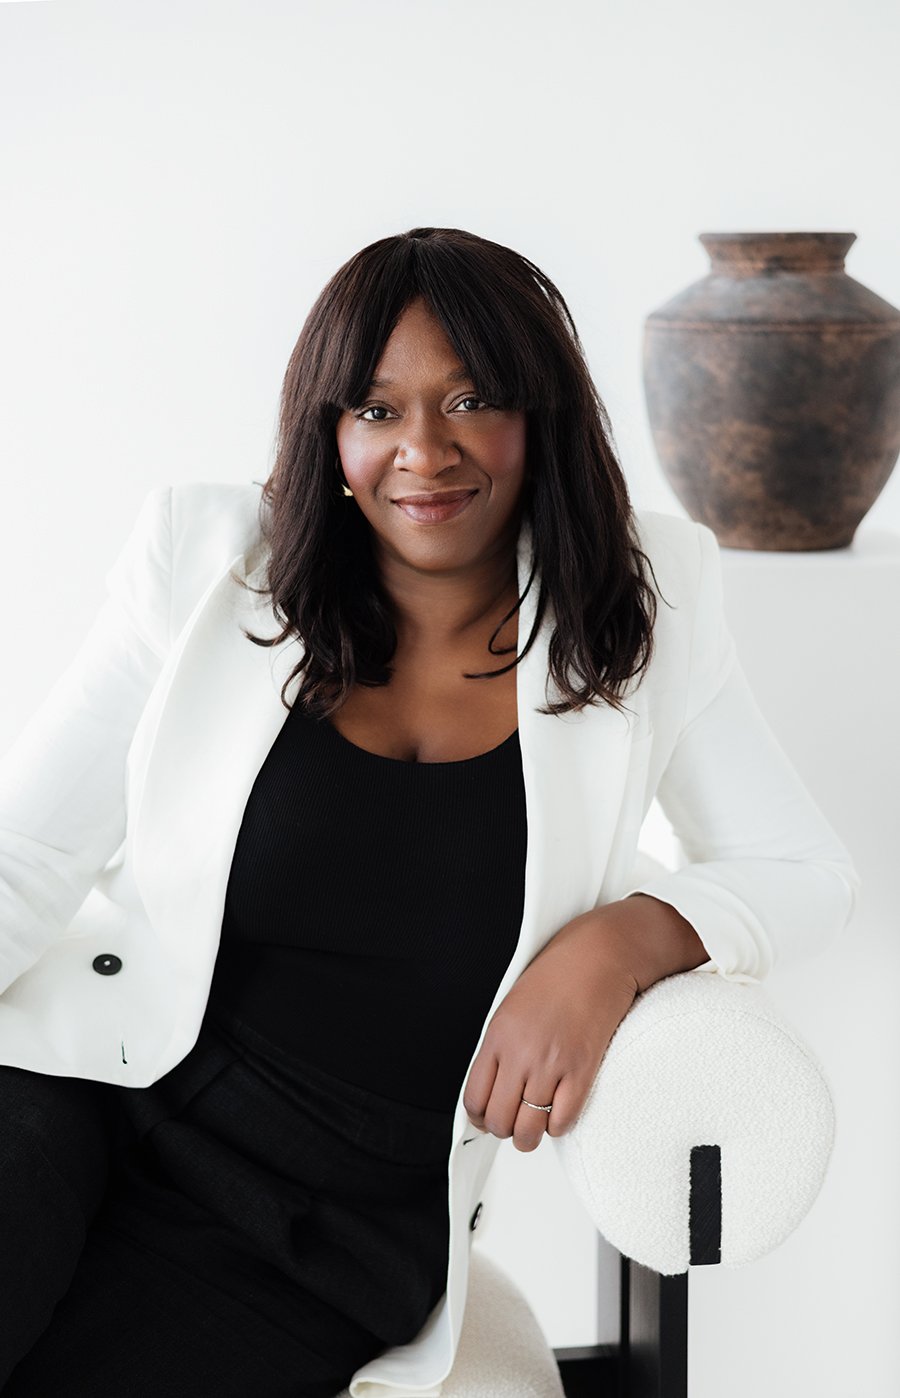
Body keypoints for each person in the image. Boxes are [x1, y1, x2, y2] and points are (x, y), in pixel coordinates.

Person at [0, 226, 857, 1397]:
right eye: (377, 409)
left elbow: (803, 870)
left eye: (471, 400)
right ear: (329, 431)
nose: (424, 452)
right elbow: (28, 855)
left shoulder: (645, 602)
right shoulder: (208, 558)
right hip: (88, 1093)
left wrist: (616, 944)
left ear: (540, 413)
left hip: (328, 1226)